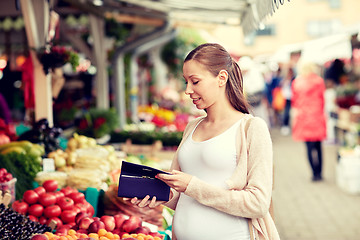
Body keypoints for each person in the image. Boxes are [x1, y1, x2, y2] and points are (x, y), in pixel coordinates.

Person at [131, 43, 280, 240]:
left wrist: (193, 186)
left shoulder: (251, 128)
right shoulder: (192, 127)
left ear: (221, 78)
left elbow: (258, 203)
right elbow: (183, 195)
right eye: (186, 82)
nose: (188, 90)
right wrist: (157, 196)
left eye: (195, 81)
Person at [291, 60, 327, 182]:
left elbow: (294, 101)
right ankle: (320, 173)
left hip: (303, 118)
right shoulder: (319, 81)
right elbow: (322, 100)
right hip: (316, 116)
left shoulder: (297, 82)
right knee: (318, 146)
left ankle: (314, 174)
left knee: (308, 148)